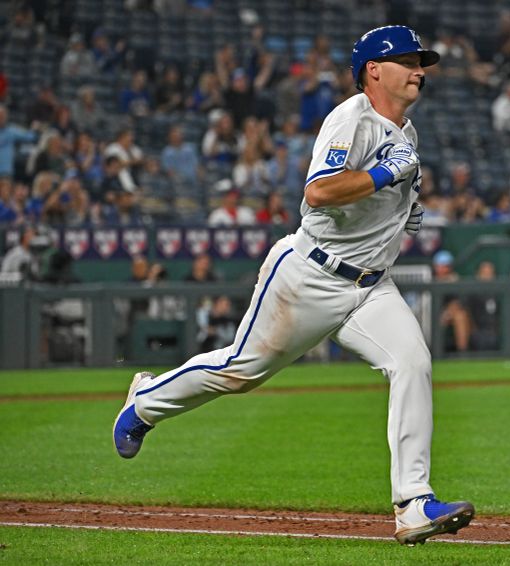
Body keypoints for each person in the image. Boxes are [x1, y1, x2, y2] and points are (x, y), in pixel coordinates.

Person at [113, 25, 474, 545]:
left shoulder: (406, 132)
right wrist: (382, 178)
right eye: (409, 60)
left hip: (370, 286)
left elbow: (390, 190)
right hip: (310, 275)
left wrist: (405, 206)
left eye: (422, 61)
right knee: (240, 371)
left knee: (413, 363)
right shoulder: (351, 118)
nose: (420, 69)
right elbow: (320, 191)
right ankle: (145, 401)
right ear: (374, 70)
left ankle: (413, 504)